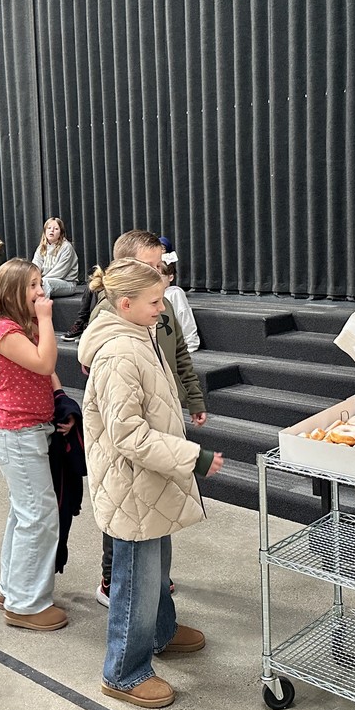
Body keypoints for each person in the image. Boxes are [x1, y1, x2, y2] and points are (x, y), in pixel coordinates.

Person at [78, 258, 223, 708]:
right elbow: (129, 435)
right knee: (136, 582)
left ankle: (161, 631)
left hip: (149, 482)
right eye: (155, 301)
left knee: (155, 570)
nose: (163, 309)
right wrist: (192, 458)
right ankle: (124, 671)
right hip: (132, 485)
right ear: (125, 304)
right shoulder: (119, 353)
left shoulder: (138, 335)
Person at [85, 230, 208, 607]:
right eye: (152, 268)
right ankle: (117, 592)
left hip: (159, 436)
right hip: (140, 450)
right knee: (131, 535)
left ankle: (159, 615)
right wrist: (192, 457)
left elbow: (179, 356)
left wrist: (192, 398)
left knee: (156, 526)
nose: (164, 277)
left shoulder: (153, 312)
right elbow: (124, 424)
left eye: (163, 267)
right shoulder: (117, 337)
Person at [0, 258, 72, 632]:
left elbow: (48, 371)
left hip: (32, 430)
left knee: (25, 514)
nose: (41, 292)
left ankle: (13, 589)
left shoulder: (25, 326)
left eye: (41, 283)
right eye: (33, 286)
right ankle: (25, 603)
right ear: (13, 291)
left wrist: (60, 397)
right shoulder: (4, 330)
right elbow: (44, 360)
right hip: (17, 434)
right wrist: (48, 320)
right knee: (38, 516)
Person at [32, 217, 79, 298]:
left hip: (67, 283)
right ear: (45, 231)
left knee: (45, 284)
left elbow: (60, 272)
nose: (52, 230)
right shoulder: (41, 248)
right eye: (49, 228)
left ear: (61, 233)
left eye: (56, 228)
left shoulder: (66, 247)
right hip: (43, 280)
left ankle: (40, 309)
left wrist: (39, 281)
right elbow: (35, 267)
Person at [159, 256, 199, 352]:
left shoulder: (174, 293)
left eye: (160, 276)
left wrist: (191, 343)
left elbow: (184, 316)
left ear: (170, 277)